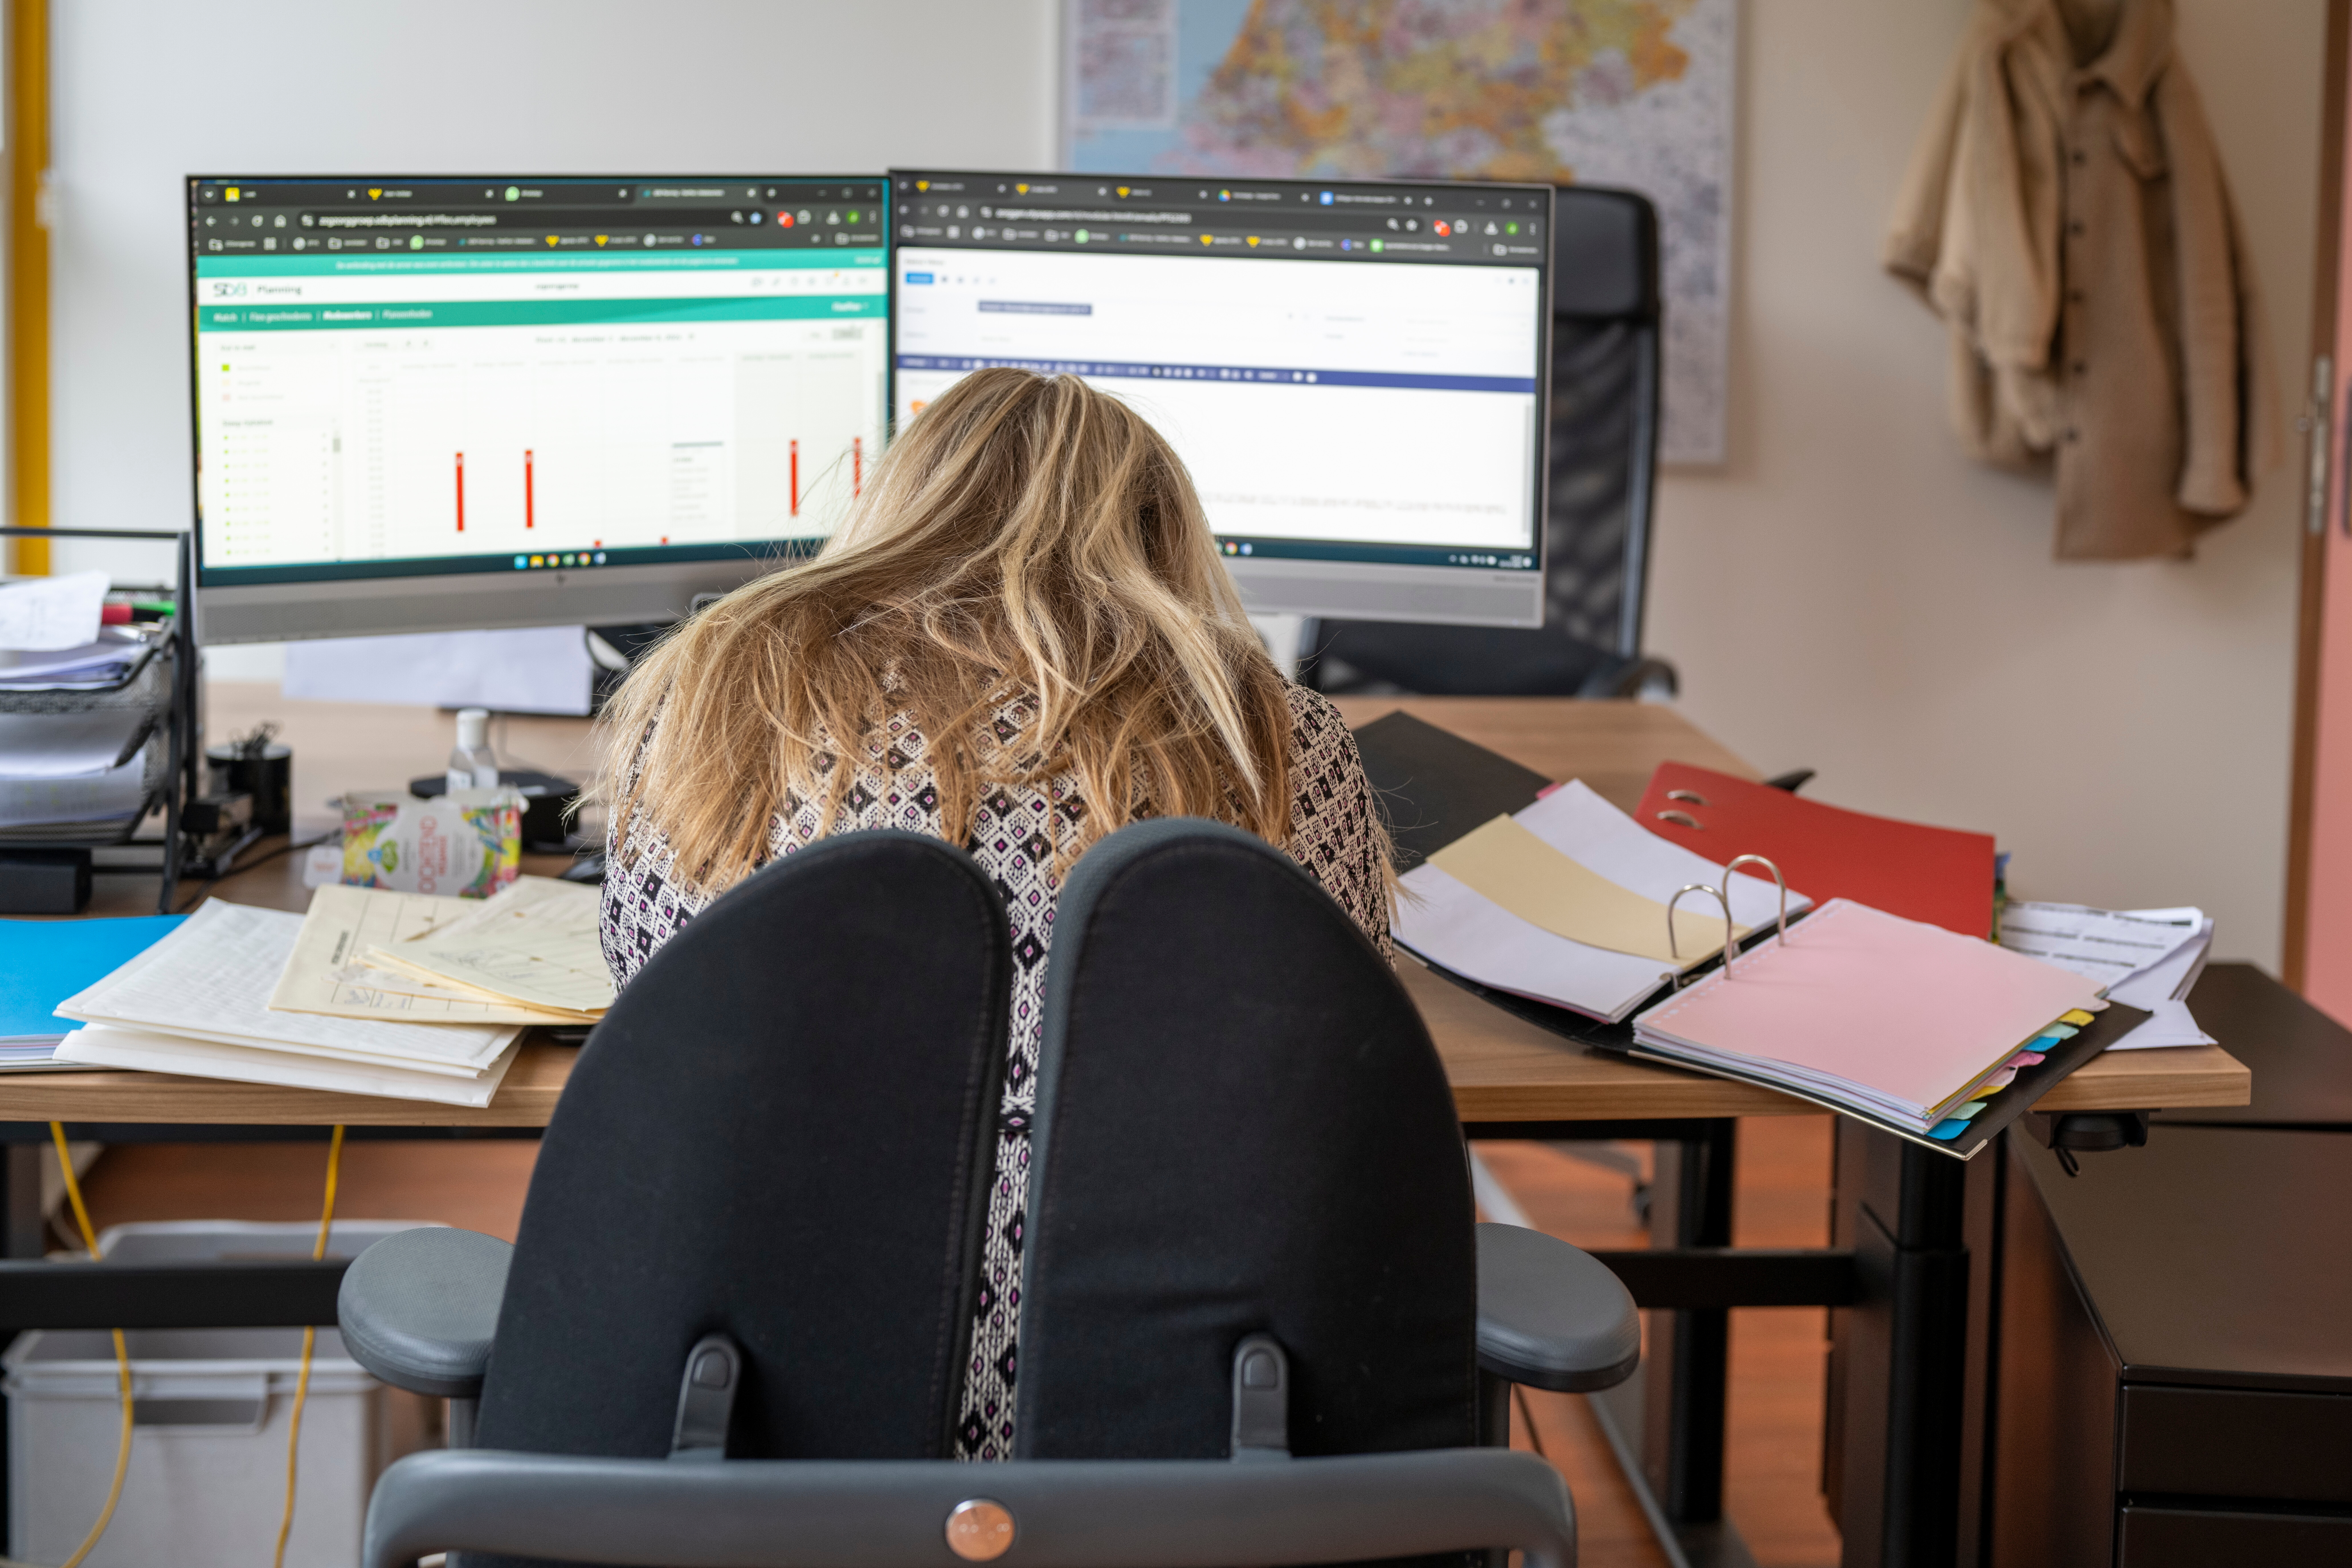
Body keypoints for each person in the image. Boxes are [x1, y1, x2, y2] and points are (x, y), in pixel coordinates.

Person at [589, 366, 1394, 1460]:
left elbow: (651, 990)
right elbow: (1344, 1035)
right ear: (1161, 538)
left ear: (899, 502)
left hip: (766, 1409)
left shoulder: (719, 691)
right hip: (1185, 1418)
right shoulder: (1273, 735)